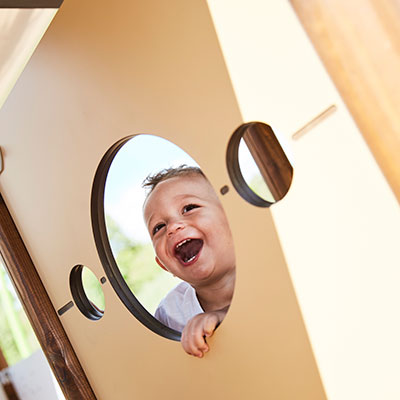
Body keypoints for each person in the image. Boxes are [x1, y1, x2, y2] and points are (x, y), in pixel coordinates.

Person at [142, 166, 235, 358]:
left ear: (233, 218)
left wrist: (223, 316)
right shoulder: (169, 314)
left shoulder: (271, 266)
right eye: (159, 227)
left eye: (189, 208)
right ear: (163, 265)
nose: (173, 227)